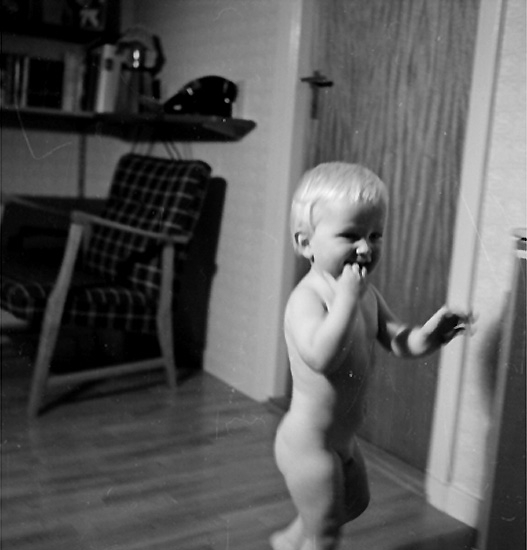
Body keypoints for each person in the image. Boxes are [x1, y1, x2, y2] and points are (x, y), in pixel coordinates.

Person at [271, 163, 473, 550]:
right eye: (350, 235)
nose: (365, 248)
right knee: (326, 535)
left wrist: (431, 334)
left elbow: (399, 342)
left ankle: (291, 540)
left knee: (353, 504)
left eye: (375, 235)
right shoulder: (308, 299)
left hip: (343, 439)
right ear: (305, 243)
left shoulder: (367, 295)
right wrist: (346, 300)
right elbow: (321, 358)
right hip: (308, 445)